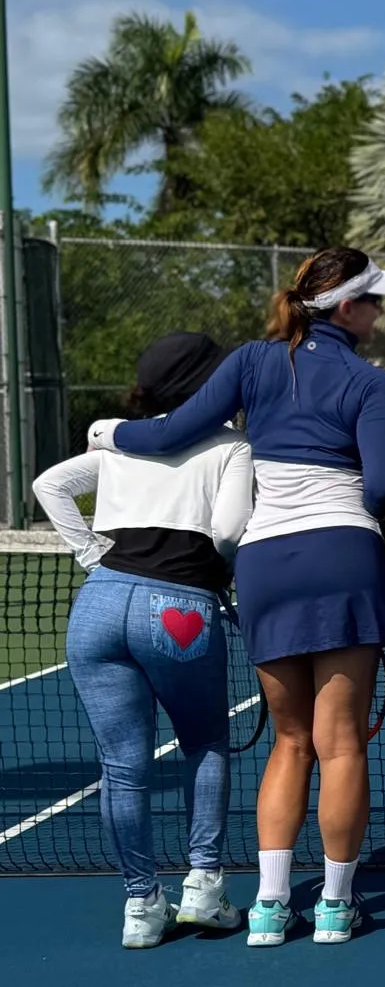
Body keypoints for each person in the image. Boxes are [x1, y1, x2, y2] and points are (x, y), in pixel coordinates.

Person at [89, 247, 385, 947]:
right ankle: (333, 906)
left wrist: (109, 433)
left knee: (290, 741)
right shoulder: (371, 383)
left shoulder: (251, 361)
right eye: (375, 299)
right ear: (346, 308)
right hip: (344, 555)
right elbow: (381, 489)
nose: (382, 310)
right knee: (342, 743)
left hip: (266, 565)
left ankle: (267, 909)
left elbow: (172, 432)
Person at [35, 333, 251, 948]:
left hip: (98, 604)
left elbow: (49, 486)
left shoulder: (120, 442)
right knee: (206, 743)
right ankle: (204, 889)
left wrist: (89, 551)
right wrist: (226, 577)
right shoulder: (232, 445)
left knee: (122, 770)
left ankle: (140, 907)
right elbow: (231, 528)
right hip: (179, 608)